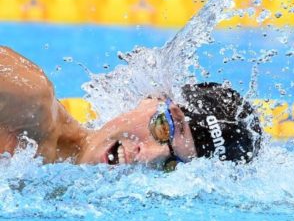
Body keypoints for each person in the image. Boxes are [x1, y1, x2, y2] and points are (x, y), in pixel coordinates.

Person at [0, 46, 262, 170]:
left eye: (170, 164)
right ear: (154, 99)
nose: (147, 155)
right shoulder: (26, 100)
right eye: (161, 128)